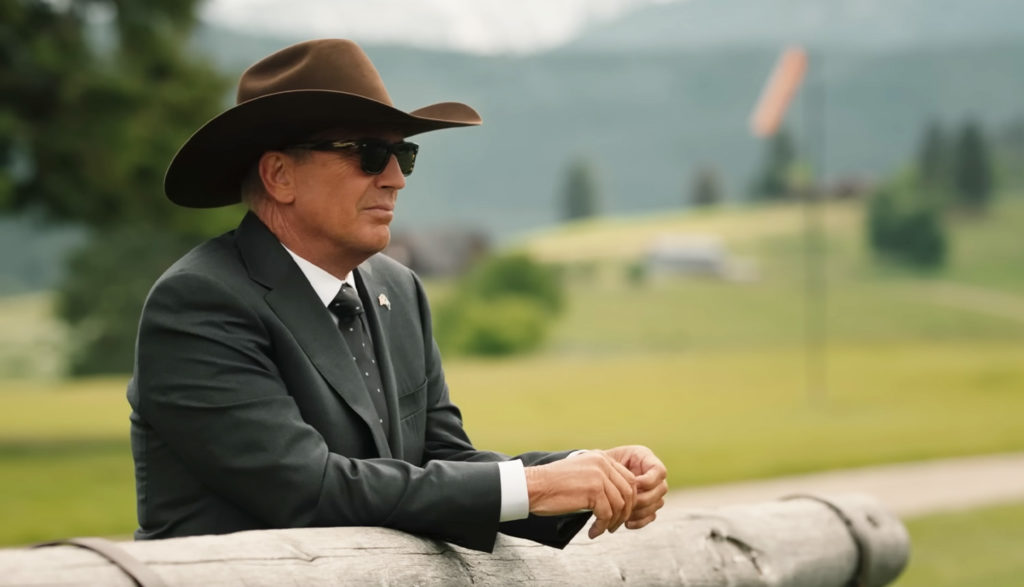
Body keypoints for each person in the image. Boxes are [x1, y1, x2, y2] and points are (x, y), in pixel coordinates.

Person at [128, 38, 667, 553]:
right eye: (368, 154)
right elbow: (308, 488)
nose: (395, 179)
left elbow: (442, 457)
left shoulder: (397, 288)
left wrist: (588, 472)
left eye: (401, 156)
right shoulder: (199, 303)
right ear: (279, 175)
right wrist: (538, 486)